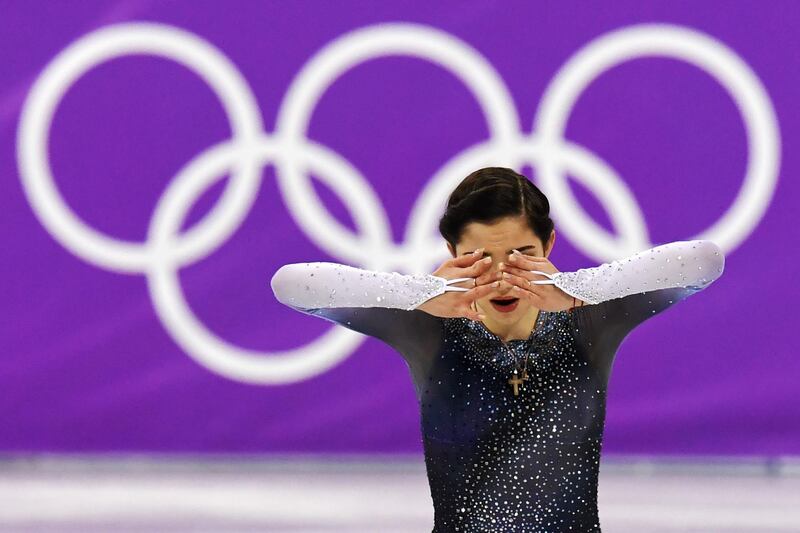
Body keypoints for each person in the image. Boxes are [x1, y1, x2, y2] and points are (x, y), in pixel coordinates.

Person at [270, 167, 725, 532]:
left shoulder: (590, 319)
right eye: (482, 259)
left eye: (522, 255)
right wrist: (420, 292)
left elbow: (704, 261)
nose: (503, 277)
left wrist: (576, 288)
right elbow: (291, 285)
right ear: (452, 252)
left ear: (549, 244)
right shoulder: (427, 326)